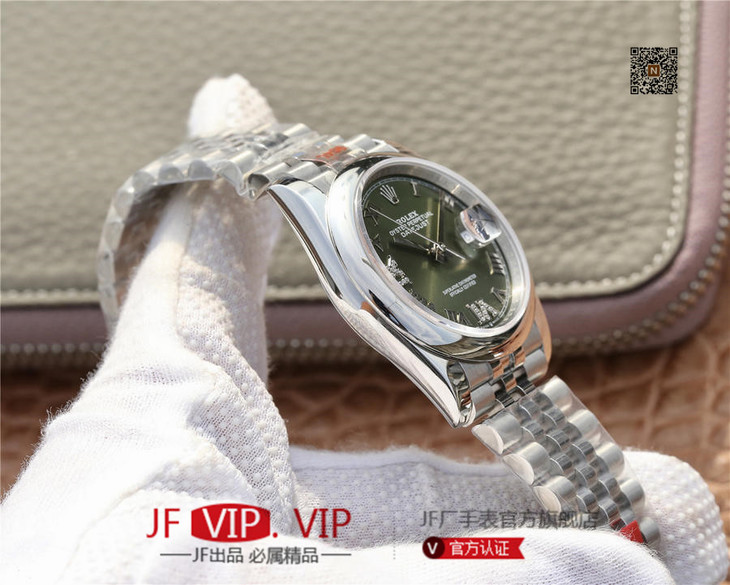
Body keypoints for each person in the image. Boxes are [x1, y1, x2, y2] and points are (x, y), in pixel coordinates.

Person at [1, 75, 727, 584]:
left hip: (499, 331)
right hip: (473, 343)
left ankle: (606, 510)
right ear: (358, 296)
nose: (440, 244)